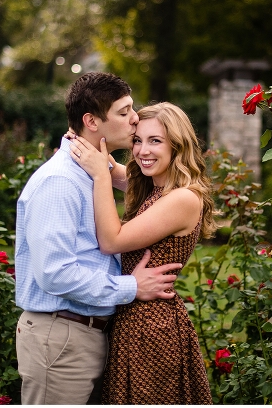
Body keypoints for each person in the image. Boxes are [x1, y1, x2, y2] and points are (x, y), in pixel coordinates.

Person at [14, 72, 183, 405]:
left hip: (87, 334)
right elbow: (54, 274)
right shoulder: (60, 182)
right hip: (62, 337)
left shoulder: (92, 173)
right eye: (123, 112)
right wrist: (132, 287)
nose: (135, 119)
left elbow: (162, 189)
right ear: (91, 121)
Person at [68, 101, 216, 404]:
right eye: (137, 140)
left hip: (152, 329)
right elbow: (114, 167)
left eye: (155, 141)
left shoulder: (183, 199)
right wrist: (88, 134)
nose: (142, 151)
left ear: (177, 145)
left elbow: (111, 240)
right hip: (134, 320)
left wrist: (100, 177)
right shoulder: (155, 186)